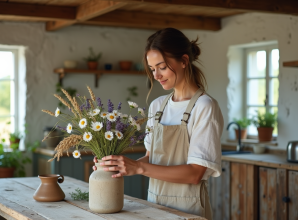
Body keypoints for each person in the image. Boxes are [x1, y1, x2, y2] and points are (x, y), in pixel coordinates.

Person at [93, 27, 224, 219]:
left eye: (162, 67)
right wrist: (120, 167)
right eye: (152, 69)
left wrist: (138, 168)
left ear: (184, 61)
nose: (156, 75)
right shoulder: (157, 106)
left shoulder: (205, 106)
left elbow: (195, 174)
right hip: (153, 205)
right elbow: (151, 157)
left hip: (189, 209)